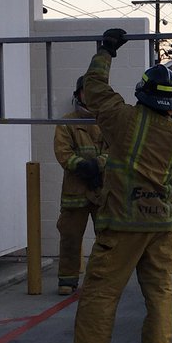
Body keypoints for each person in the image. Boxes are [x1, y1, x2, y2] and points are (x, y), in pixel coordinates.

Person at [51, 28, 172, 343]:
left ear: (142, 92)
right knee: (159, 293)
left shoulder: (123, 119)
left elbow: (95, 89)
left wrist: (106, 51)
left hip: (124, 223)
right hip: (162, 225)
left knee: (101, 291)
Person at [53, 76, 105, 296]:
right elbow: (63, 154)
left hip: (101, 190)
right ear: (78, 94)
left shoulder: (108, 123)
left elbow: (118, 150)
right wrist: (84, 167)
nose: (89, 95)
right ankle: (67, 280)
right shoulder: (67, 123)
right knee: (70, 238)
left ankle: (102, 280)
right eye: (85, 91)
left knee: (106, 239)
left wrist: (99, 165)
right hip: (75, 193)